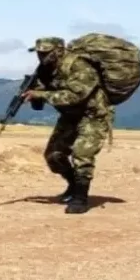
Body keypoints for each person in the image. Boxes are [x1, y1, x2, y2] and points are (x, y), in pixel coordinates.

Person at [20, 37, 114, 214]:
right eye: (39, 53)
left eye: (46, 53)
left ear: (58, 51)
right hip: (70, 116)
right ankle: (73, 185)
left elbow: (76, 96)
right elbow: (41, 100)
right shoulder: (45, 71)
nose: (41, 56)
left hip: (92, 115)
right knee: (54, 156)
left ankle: (81, 198)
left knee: (82, 154)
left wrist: (41, 95)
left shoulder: (79, 66)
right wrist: (31, 93)